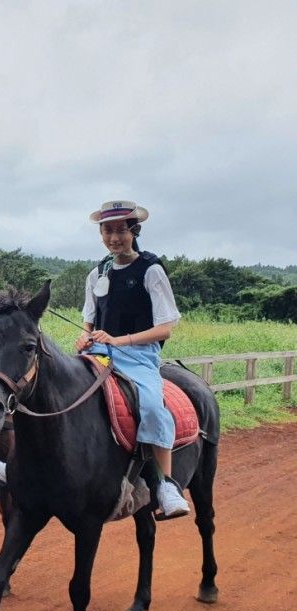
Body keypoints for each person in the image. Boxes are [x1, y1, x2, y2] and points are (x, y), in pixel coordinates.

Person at [76, 200, 190, 518]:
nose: (114, 237)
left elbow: (166, 327)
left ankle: (166, 485)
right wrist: (85, 335)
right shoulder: (96, 272)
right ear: (101, 233)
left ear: (134, 230)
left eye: (120, 230)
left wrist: (120, 340)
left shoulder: (151, 270)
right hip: (99, 352)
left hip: (139, 356)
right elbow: (90, 317)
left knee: (152, 406)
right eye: (107, 230)